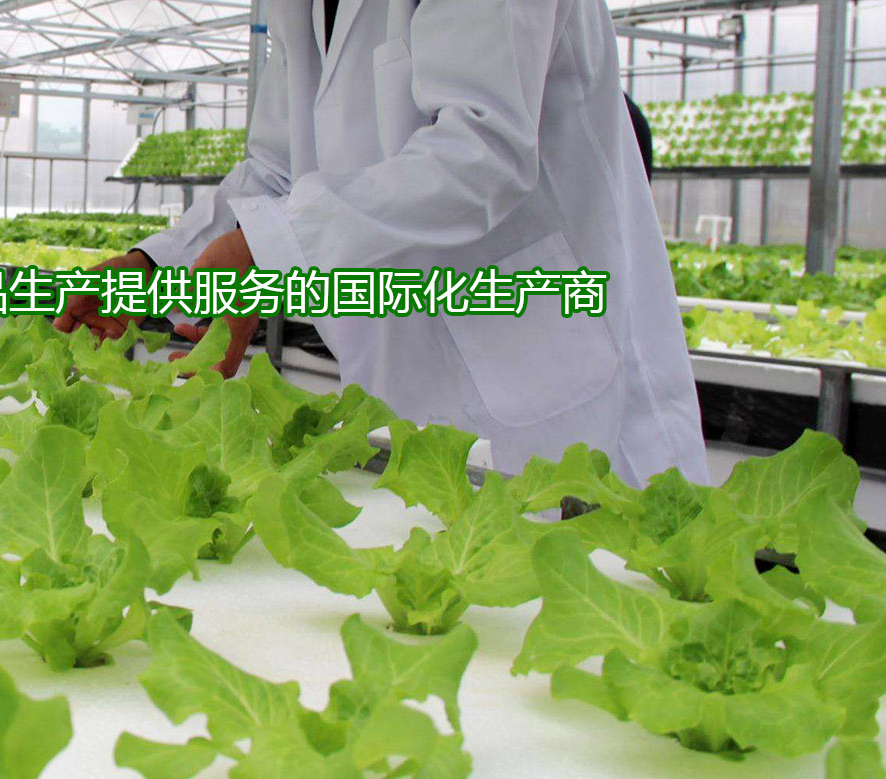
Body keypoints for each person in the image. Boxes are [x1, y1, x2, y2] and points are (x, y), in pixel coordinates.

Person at [54, 0, 708, 486]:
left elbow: (483, 150)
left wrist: (267, 248)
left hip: (558, 399)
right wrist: (153, 266)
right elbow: (276, 171)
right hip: (404, 398)